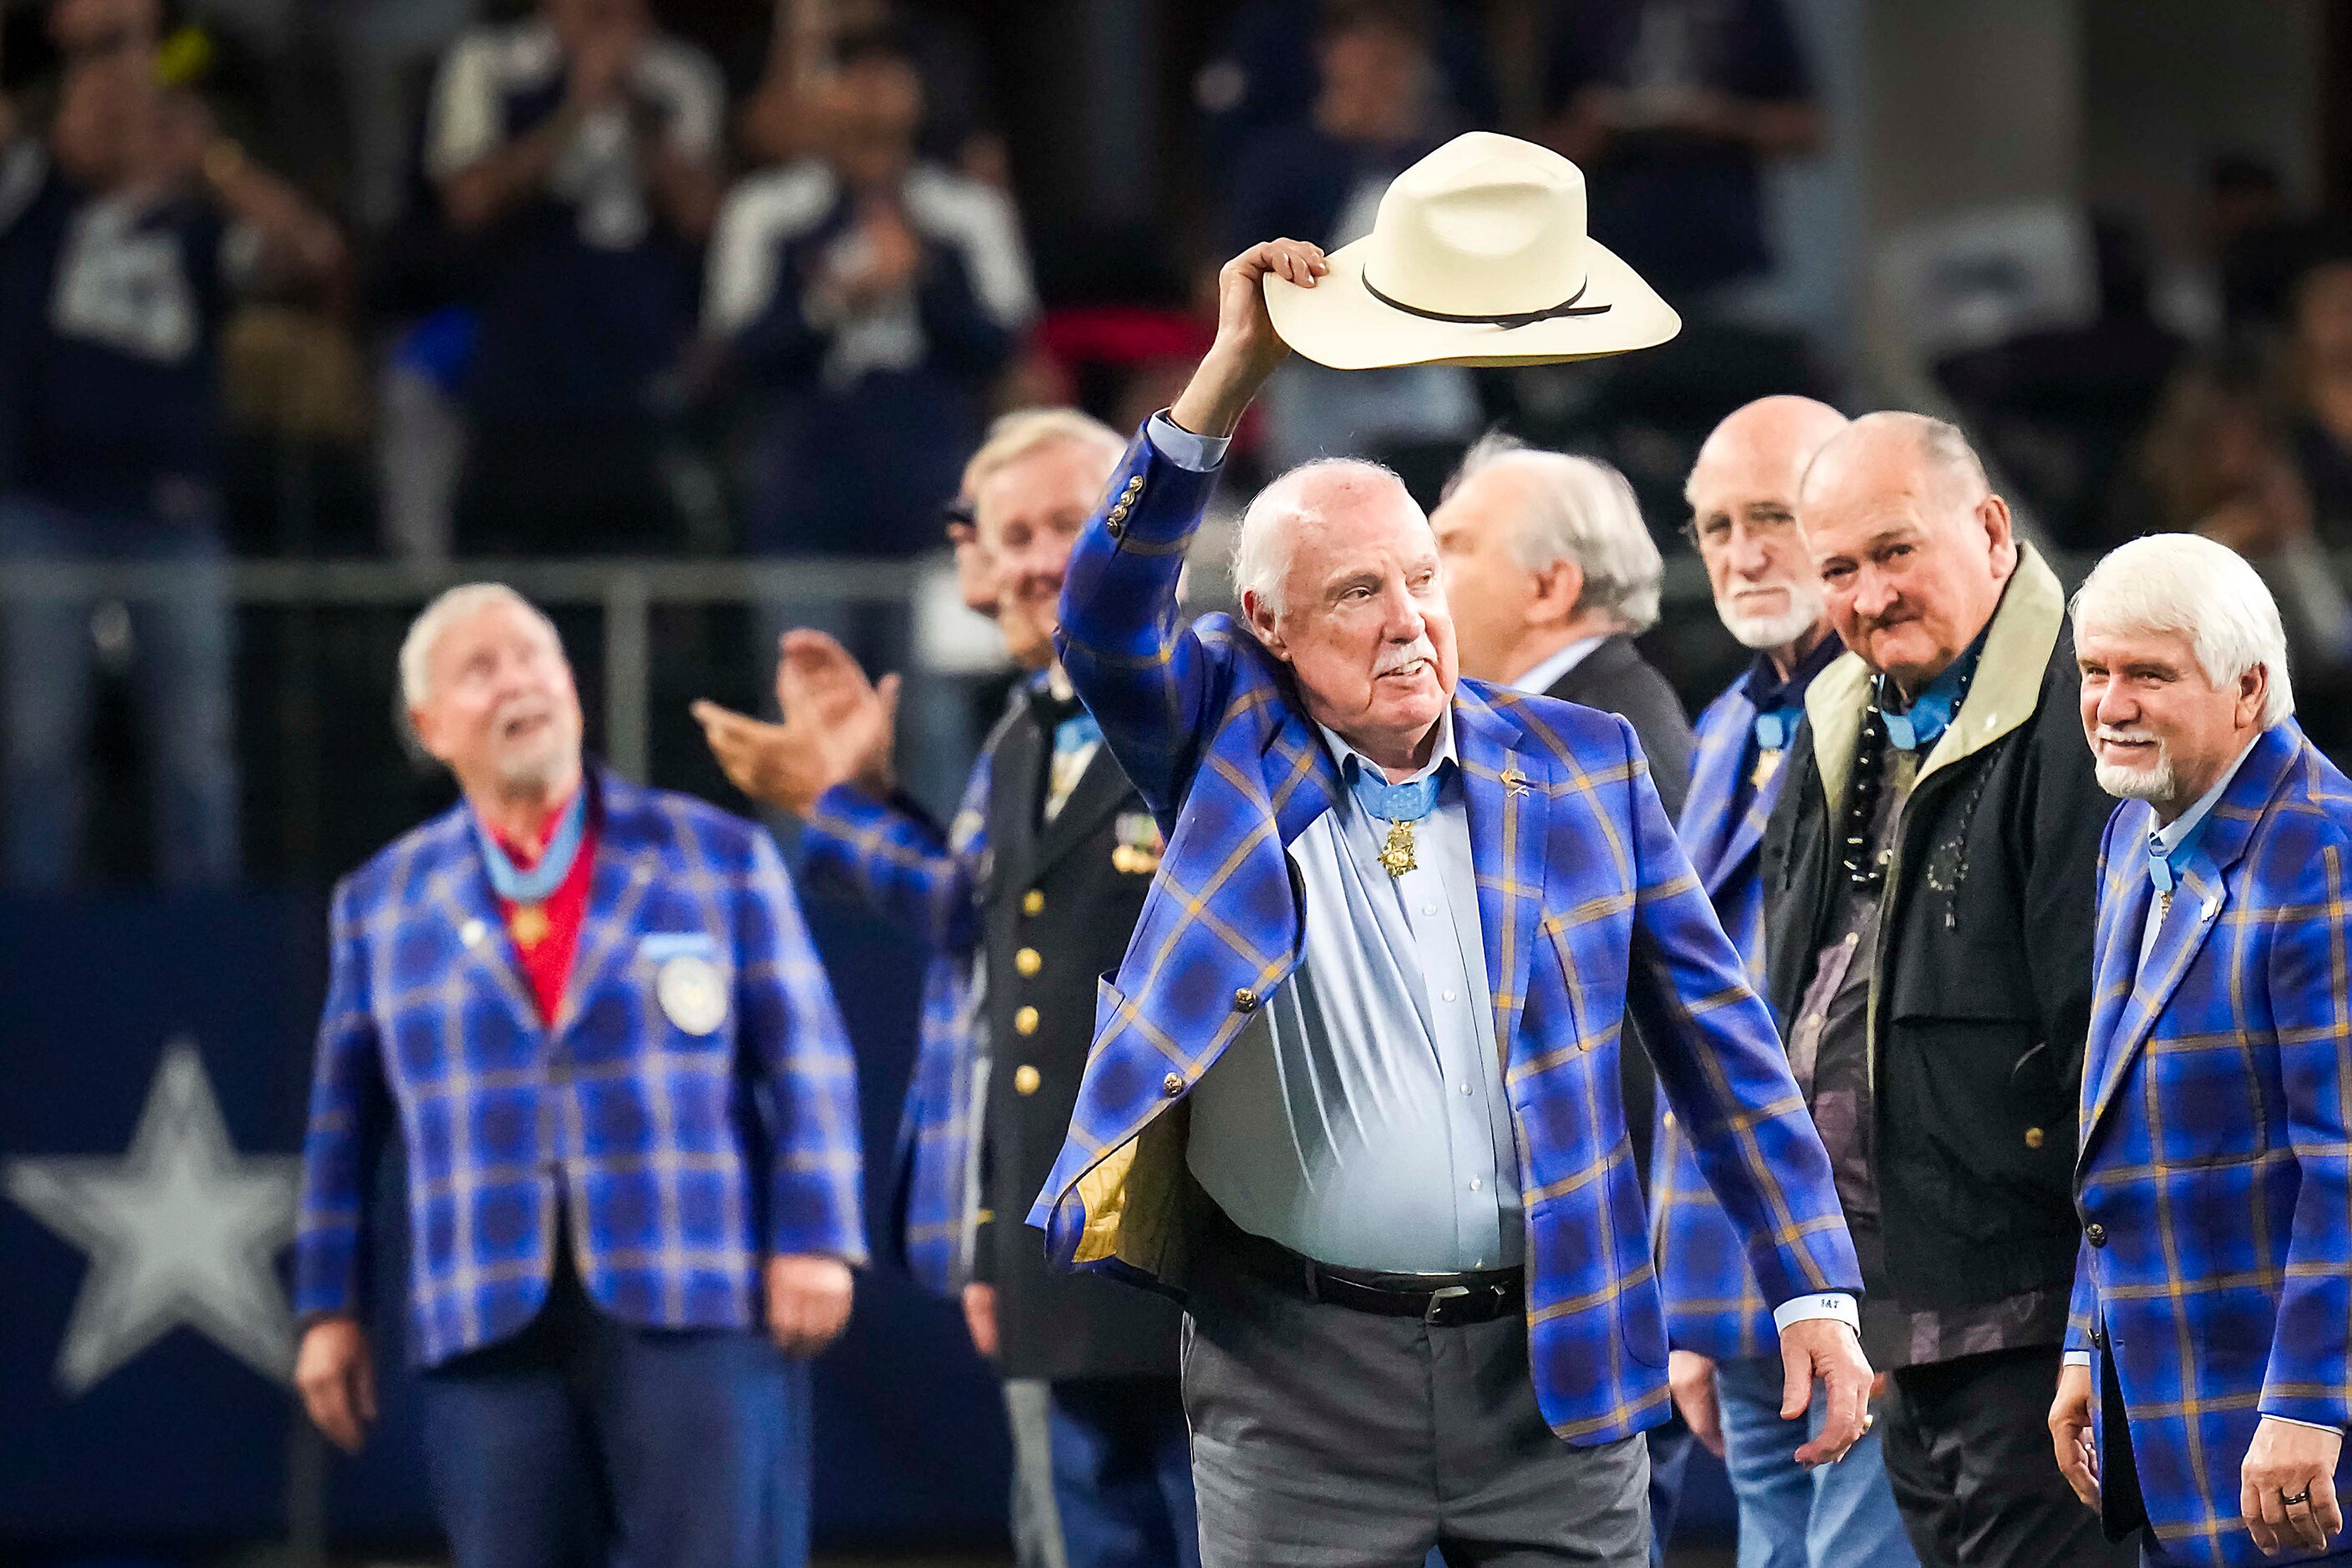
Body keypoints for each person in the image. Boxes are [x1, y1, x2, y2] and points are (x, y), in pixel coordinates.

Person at [1032, 236, 1871, 1567]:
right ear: (1265, 625)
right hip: (1293, 1379)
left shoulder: (1581, 765)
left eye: (1422, 576)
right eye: (1357, 593)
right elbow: (1101, 620)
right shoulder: (1223, 745)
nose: (1409, 618)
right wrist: (1229, 375)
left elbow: (1724, 1047)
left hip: (1555, 1367)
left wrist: (1812, 1281)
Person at [696, 410, 1199, 1568]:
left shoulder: (1194, 701)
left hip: (1196, 1252)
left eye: (1071, 525)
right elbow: (985, 919)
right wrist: (843, 803)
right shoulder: (1021, 731)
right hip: (1047, 1241)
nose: (1036, 559)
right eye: (1012, 533)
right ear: (969, 557)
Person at [290, 584, 867, 1568]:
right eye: (480, 670)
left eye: (536, 658)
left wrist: (816, 1238)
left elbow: (805, 1056)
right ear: (430, 726)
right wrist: (328, 1310)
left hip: (697, 1292)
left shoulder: (712, 853)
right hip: (486, 1309)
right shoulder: (380, 904)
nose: (519, 681)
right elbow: (343, 1133)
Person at [1763, 411, 2129, 1568]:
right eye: (1837, 570)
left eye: (1894, 551)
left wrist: (2092, 1331)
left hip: (2033, 1323)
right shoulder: (1837, 717)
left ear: (1988, 528)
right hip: (1891, 1316)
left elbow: (2106, 1053)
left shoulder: (2091, 705)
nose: (1867, 596)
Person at [2047, 535, 2352, 1566]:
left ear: (2248, 689)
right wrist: (2087, 1345)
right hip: (2163, 1426)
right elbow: (2119, 1121)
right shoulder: (2133, 835)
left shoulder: (2329, 854)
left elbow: (2347, 1165)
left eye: (2149, 675)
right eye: (2095, 671)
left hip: (2296, 1448)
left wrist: (2312, 1402)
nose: (2111, 704)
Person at [1651, 397, 1916, 1568]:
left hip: (1872, 1287)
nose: (1742, 553)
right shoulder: (1725, 722)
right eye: (1714, 526)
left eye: (1773, 516)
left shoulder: (1916, 721)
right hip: (1738, 1282)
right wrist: (1692, 1313)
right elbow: (1694, 1021)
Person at [1429, 427, 1698, 1558]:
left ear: (1550, 583)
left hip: (1580, 1286)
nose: (1419, 576)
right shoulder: (1555, 728)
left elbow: (1639, 1046)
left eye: (1450, 547)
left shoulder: (1601, 739)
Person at [0, 55, 341, 889]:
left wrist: (214, 162)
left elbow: (310, 254)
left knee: (195, 748)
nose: (117, 123)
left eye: (134, 110)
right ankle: (33, 938)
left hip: (171, 515)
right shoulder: (33, 203)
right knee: (39, 746)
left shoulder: (194, 226)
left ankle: (202, 937)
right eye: (96, 108)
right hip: (47, 508)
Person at [425, 0, 726, 553]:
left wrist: (629, 99)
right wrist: (576, 106)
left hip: (639, 365)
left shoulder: (677, 74)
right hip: (523, 362)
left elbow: (701, 214)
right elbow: (468, 201)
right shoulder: (490, 63)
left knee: (643, 564)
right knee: (523, 569)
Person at [1223, 0, 1479, 472]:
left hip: (1423, 382)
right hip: (1317, 386)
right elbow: (1227, 277)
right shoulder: (1280, 160)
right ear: (1327, 52)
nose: (1381, 58)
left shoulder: (1446, 157)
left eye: (1398, 44)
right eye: (1363, 39)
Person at [1540, 0, 1820, 303]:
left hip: (1725, 258)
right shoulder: (1586, 12)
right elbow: (1538, 146)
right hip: (1608, 259)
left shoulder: (1751, 10)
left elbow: (1807, 130)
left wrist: (1722, 117)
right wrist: (1595, 122)